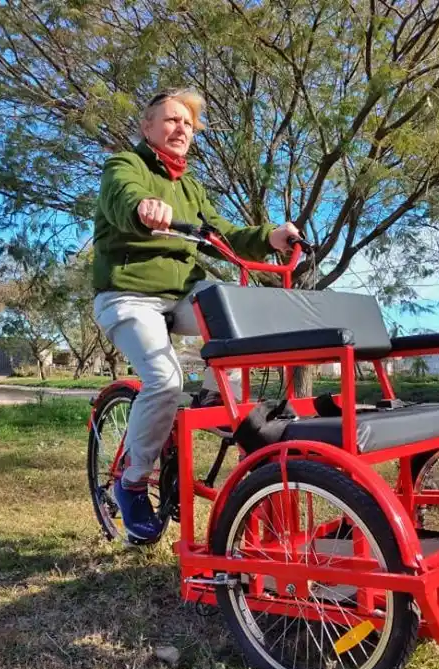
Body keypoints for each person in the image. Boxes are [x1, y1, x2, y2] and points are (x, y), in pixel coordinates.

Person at [92, 88, 301, 542]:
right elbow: (123, 199)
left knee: (232, 306)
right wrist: (141, 208)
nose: (180, 128)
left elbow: (224, 233)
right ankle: (132, 482)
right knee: (165, 381)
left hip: (179, 293)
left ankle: (207, 404)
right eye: (170, 120)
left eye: (187, 123)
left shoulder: (191, 187)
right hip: (127, 296)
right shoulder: (123, 167)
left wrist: (271, 236)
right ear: (147, 128)